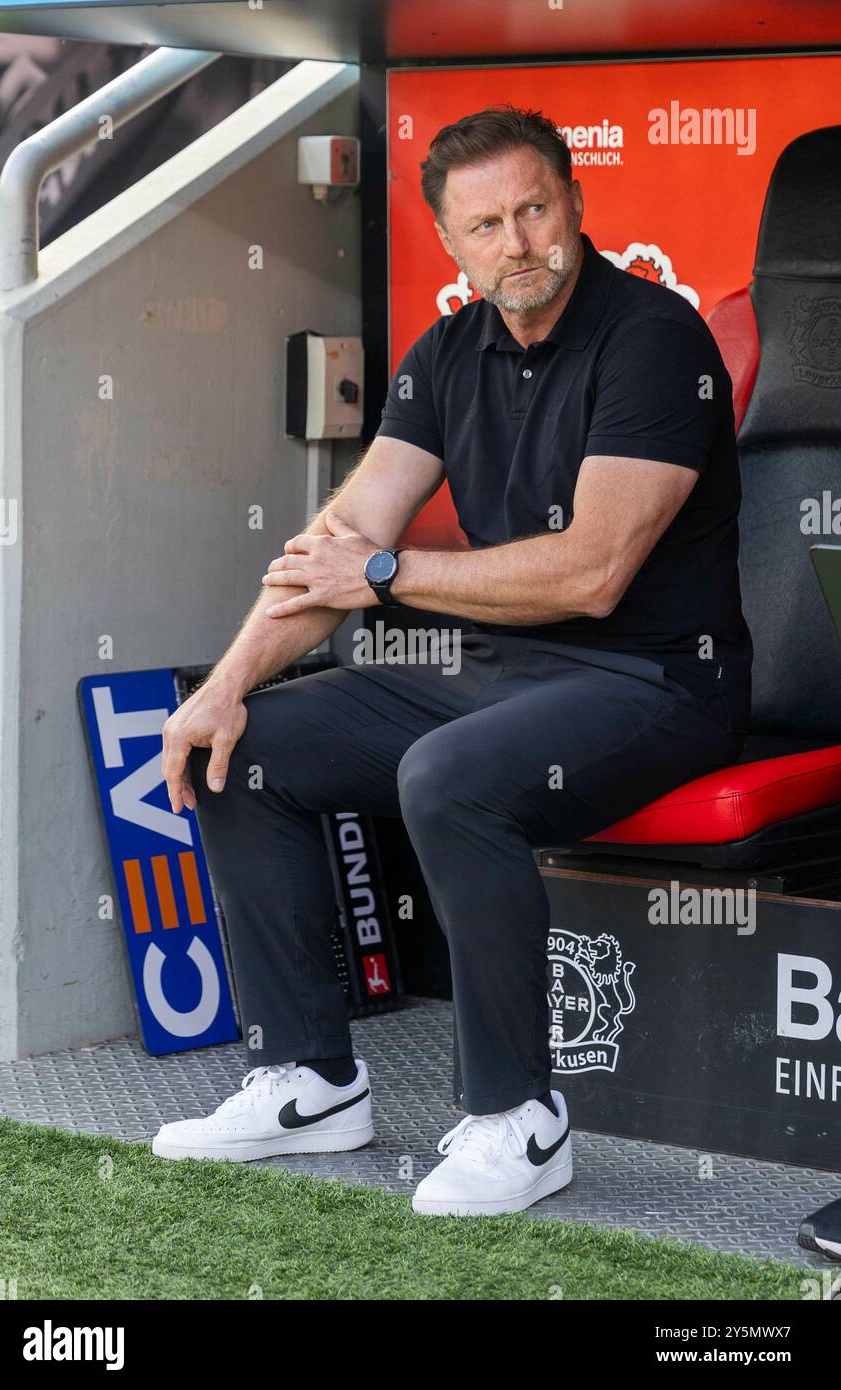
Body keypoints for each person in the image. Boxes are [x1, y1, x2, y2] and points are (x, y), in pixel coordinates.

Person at [153, 104, 753, 1217]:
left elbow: (590, 574)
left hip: (657, 682)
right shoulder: (446, 354)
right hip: (500, 670)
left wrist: (383, 577)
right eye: (486, 225)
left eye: (534, 210)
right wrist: (226, 688)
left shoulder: (656, 339)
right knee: (252, 741)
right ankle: (309, 1082)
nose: (516, 243)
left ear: (578, 207)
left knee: (448, 772)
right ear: (449, 242)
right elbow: (335, 545)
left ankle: (520, 1120)